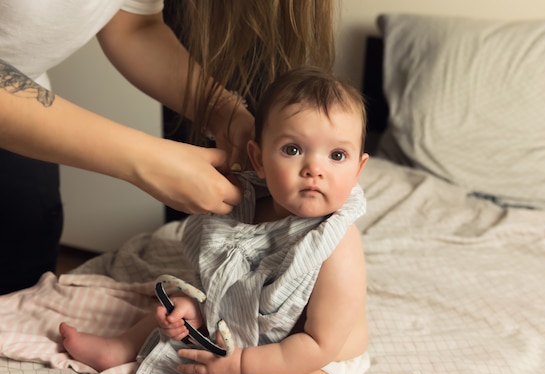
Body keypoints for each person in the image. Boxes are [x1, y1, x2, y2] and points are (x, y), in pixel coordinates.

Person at [59, 66, 370, 374]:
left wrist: (242, 367)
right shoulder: (243, 210)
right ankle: (119, 347)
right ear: (259, 159)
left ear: (358, 170)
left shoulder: (337, 243)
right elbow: (221, 286)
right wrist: (194, 309)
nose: (315, 168)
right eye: (293, 149)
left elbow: (319, 344)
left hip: (310, 360)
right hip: (239, 331)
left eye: (337, 156)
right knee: (176, 311)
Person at [0, 0, 335, 294]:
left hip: (28, 115)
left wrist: (223, 111)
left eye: (338, 155)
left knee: (21, 279)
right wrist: (144, 160)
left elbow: (134, 26)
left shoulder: (333, 237)